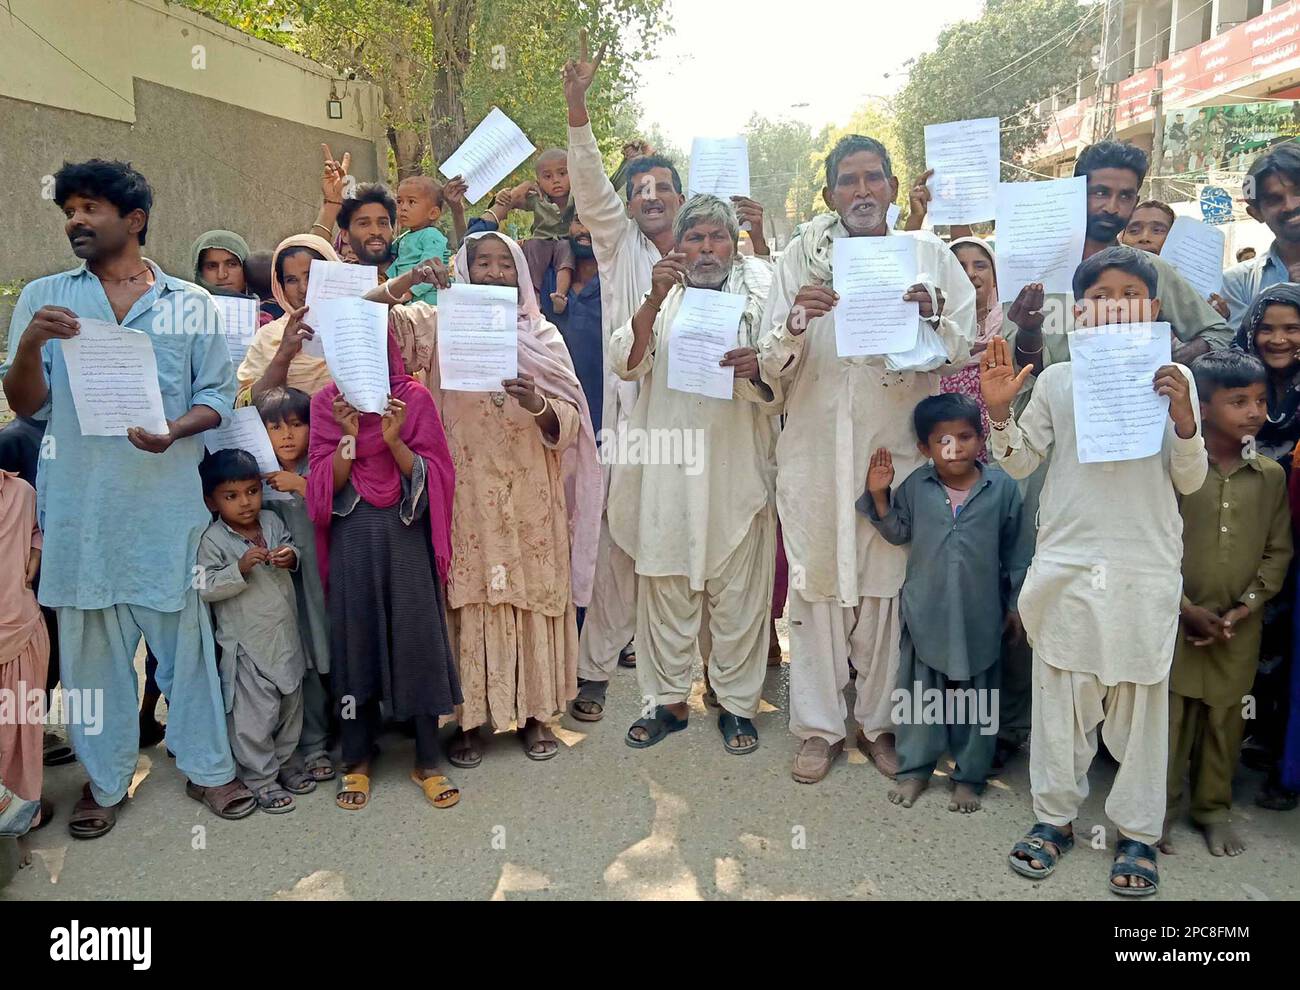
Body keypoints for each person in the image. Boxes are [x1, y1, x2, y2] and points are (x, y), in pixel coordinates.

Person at [1, 159, 255, 835]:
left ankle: (210, 770)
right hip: (82, 511)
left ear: (134, 220)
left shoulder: (189, 303)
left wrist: (175, 429)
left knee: (188, 652)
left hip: (167, 510)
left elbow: (216, 396)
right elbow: (26, 406)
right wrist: (29, 345)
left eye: (91, 209)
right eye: (70, 211)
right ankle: (106, 782)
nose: (76, 221)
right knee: (90, 659)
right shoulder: (46, 298)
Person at [985, 246, 1208, 897]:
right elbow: (1021, 464)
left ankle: (1137, 832)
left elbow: (1189, 479)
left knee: (1140, 705)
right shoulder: (1058, 378)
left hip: (1143, 567)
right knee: (1062, 697)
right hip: (1069, 567)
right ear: (1078, 310)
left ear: (1154, 308)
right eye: (1099, 296)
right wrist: (999, 412)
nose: (1112, 306)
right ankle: (1052, 821)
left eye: (1127, 294)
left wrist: (1186, 422)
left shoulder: (1174, 381)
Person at [758, 133, 977, 785]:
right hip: (815, 457)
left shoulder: (928, 255)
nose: (860, 191)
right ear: (829, 194)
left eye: (872, 178)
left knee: (885, 594)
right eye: (847, 180)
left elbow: (963, 348)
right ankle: (820, 729)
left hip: (897, 454)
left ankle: (878, 726)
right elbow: (771, 367)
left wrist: (933, 316)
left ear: (890, 187)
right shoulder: (802, 257)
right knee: (818, 592)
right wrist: (797, 320)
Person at [563, 33, 768, 686]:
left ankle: (718, 677)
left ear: (683, 202)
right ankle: (595, 668)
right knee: (625, 543)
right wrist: (577, 106)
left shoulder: (718, 262)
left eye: (662, 188)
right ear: (627, 204)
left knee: (711, 539)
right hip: (633, 422)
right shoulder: (622, 247)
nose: (650, 196)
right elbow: (591, 182)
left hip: (713, 426)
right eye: (639, 189)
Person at [372, 232, 600, 763]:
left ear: (521, 274)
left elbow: (571, 423)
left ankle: (538, 714)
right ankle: (469, 718)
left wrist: (540, 404)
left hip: (529, 493)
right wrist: (409, 282)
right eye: (483, 262)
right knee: (469, 594)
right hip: (465, 492)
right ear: (464, 269)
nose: (495, 272)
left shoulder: (541, 334)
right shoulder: (434, 326)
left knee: (532, 594)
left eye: (505, 263)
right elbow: (362, 320)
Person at [606, 194, 778, 748]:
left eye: (718, 238)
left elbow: (783, 377)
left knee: (738, 592)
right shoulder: (663, 296)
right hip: (669, 467)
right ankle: (669, 702)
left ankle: (734, 704)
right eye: (696, 238)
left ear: (733, 244)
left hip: (737, 468)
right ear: (679, 246)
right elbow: (625, 363)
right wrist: (653, 301)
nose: (707, 249)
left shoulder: (758, 296)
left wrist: (759, 364)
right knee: (666, 585)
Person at [306, 330, 462, 811]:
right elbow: (322, 486)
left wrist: (392, 440)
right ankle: (357, 756)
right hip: (354, 536)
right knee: (357, 639)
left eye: (368, 350)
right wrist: (349, 437)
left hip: (404, 532)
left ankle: (427, 757)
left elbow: (436, 473)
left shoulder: (411, 397)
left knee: (417, 638)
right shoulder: (325, 404)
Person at [860, 393, 1029, 811]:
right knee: (919, 696)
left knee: (980, 699)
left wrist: (1015, 605)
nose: (956, 447)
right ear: (924, 448)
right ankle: (915, 770)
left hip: (981, 615)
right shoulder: (918, 485)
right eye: (943, 441)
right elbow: (898, 532)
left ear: (981, 438)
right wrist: (880, 495)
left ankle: (969, 777)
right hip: (926, 613)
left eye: (966, 436)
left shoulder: (1002, 488)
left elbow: (1017, 553)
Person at [1162, 351, 1292, 857]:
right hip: (1176, 620)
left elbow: (1277, 550)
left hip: (1239, 628)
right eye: (1238, 401)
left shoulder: (1270, 476)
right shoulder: (1175, 472)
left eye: (1261, 400)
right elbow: (1152, 543)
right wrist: (1183, 604)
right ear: (1202, 405)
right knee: (1169, 722)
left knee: (1225, 722)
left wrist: (1244, 607)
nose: (1254, 412)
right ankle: (1162, 810)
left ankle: (1212, 809)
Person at [1006, 140, 1231, 377]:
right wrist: (1028, 333)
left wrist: (1167, 359)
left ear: (1136, 200)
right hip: (1049, 410)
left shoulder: (1151, 268)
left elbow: (1219, 333)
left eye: (1125, 196)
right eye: (1101, 193)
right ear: (1076, 193)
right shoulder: (1030, 269)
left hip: (1133, 409)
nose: (1112, 208)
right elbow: (1016, 372)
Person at [197, 449, 308, 814]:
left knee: (290, 704)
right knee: (253, 716)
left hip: (285, 638)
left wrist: (290, 555)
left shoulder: (272, 523)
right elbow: (206, 586)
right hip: (245, 645)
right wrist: (239, 569)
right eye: (231, 496)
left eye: (252, 491)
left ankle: (285, 763)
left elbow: (292, 543)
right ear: (211, 501)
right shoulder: (213, 540)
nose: (245, 503)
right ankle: (260, 779)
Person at [1234, 283, 1300, 811]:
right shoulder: (1233, 380)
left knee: (1285, 646)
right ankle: (1227, 749)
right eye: (1267, 327)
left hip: (1291, 539)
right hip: (1234, 531)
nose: (1278, 339)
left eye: (1292, 328)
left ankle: (1278, 752)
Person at [257, 386, 335, 784]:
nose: (286, 435)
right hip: (281, 591)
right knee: (298, 661)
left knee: (329, 655)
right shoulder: (258, 477)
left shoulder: (322, 465)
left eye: (296, 425)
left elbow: (338, 507)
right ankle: (312, 743)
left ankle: (345, 734)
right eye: (274, 427)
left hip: (323, 584)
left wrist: (302, 486)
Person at [0, 466, 50, 828]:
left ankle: (22, 809)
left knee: (22, 727)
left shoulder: (21, 492)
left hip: (22, 627)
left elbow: (36, 529)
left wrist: (35, 550)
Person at [237, 234, 338, 401]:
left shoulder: (357, 326)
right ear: (281, 287)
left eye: (311, 276)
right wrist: (283, 356)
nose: (303, 289)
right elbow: (245, 405)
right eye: (291, 280)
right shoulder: (268, 336)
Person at [1221, 143, 1300, 326]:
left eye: (1298, 191)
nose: (1290, 205)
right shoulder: (1237, 283)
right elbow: (1239, 351)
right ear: (1256, 213)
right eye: (1274, 199)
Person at [941, 237, 1001, 451]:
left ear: (995, 277)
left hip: (997, 448)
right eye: (959, 266)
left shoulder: (1011, 323)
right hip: (945, 449)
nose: (970, 273)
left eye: (980, 265)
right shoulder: (933, 327)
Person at [502, 149, 578, 312]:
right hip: (542, 240)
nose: (556, 181)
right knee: (532, 246)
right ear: (539, 181)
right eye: (547, 177)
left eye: (562, 173)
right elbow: (512, 201)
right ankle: (533, 296)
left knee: (567, 249)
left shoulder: (579, 196)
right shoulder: (537, 198)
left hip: (565, 240)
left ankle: (560, 295)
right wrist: (520, 188)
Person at [390, 175, 466, 303]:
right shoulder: (405, 237)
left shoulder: (431, 236)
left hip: (428, 298)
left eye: (411, 202)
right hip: (408, 296)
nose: (403, 207)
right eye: (399, 201)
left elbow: (430, 270)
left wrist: (410, 292)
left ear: (433, 213)